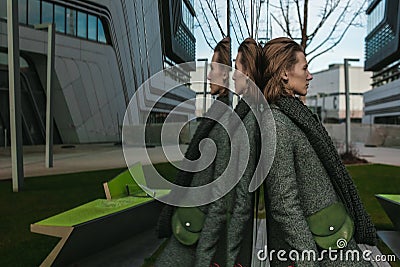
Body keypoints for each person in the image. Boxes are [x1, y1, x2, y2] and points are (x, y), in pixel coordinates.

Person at [261, 37, 376, 266]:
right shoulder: (276, 123)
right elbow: (284, 204)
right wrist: (308, 259)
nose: (310, 75)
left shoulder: (296, 116)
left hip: (332, 236)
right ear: (284, 73)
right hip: (319, 249)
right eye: (304, 68)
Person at [155, 37, 233, 267]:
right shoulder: (220, 112)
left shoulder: (225, 117)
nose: (208, 75)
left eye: (213, 68)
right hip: (195, 219)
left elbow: (220, 187)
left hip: (198, 224)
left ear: (227, 73)